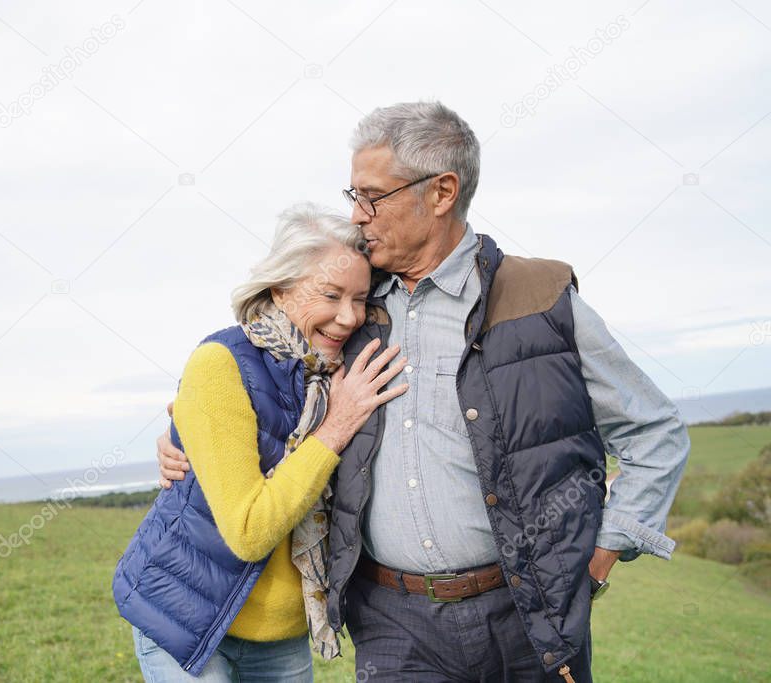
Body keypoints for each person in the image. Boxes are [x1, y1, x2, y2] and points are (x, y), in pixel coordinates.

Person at [156, 102, 690, 682]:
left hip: (529, 616)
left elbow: (654, 431)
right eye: (352, 196)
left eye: (371, 196)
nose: (357, 216)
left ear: (441, 193)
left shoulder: (540, 298)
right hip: (391, 621)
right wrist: (179, 433)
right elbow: (256, 377)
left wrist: (601, 557)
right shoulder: (349, 305)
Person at [113, 203, 410, 681]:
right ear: (281, 289)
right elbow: (249, 531)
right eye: (331, 295)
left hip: (280, 635)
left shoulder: (335, 375)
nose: (349, 317)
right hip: (185, 617)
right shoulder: (221, 364)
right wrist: (336, 426)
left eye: (360, 298)